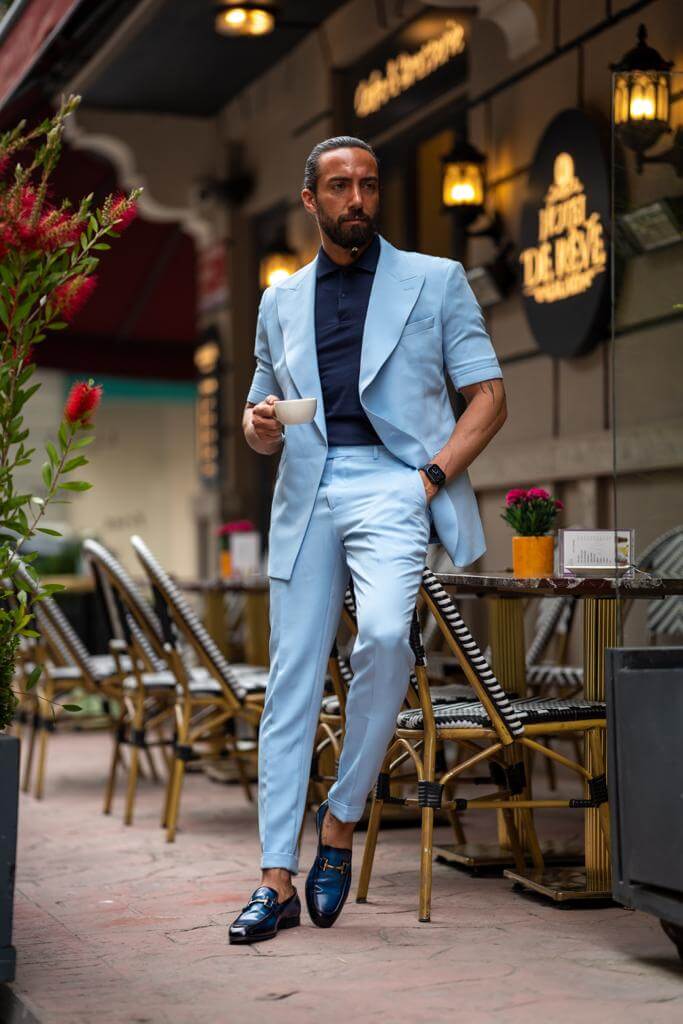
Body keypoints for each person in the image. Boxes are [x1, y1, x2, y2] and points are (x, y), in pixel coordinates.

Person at [229, 136, 506, 944]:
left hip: (394, 481)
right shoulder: (277, 300)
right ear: (310, 200)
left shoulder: (434, 280)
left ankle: (342, 818)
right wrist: (258, 426)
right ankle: (274, 879)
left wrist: (427, 478)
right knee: (290, 681)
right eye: (339, 187)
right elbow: (259, 416)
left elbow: (487, 395)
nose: (357, 199)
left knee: (384, 636)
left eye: (368, 186)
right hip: (307, 489)